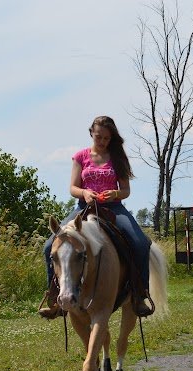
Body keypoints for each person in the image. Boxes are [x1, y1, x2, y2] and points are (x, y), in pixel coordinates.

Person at [39, 115, 153, 319]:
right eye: (99, 136)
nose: (102, 141)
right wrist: (84, 193)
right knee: (49, 246)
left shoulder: (118, 158)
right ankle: (55, 298)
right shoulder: (80, 156)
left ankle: (140, 295)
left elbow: (126, 190)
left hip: (114, 208)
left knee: (141, 243)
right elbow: (73, 188)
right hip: (84, 208)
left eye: (107, 138)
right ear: (91, 132)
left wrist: (115, 193)